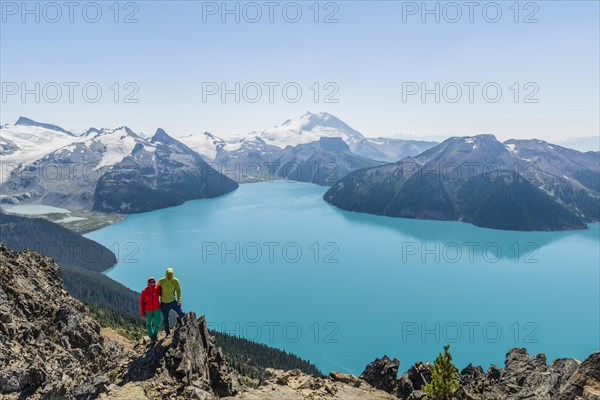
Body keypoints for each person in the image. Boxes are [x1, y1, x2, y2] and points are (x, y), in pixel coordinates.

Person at [157, 267, 185, 336]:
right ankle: (167, 332)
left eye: (171, 274)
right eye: (168, 274)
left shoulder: (175, 281)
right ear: (166, 274)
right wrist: (157, 301)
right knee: (165, 319)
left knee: (182, 313)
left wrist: (179, 300)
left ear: (172, 274)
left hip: (173, 301)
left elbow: (178, 291)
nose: (169, 275)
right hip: (164, 303)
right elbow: (157, 291)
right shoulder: (161, 281)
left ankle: (178, 318)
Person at [140, 276, 161, 343]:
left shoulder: (158, 288)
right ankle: (151, 337)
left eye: (153, 281)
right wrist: (142, 313)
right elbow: (141, 303)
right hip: (148, 311)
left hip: (156, 309)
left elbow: (163, 294)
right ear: (148, 282)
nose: (152, 283)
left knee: (157, 322)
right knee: (148, 324)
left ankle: (155, 333)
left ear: (155, 282)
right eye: (150, 282)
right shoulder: (144, 291)